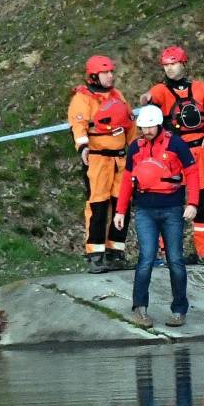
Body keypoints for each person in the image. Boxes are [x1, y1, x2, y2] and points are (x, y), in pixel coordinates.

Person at [113, 105, 201, 328]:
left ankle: (179, 309)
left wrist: (193, 203)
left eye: (150, 126)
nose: (147, 131)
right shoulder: (136, 147)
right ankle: (139, 309)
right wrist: (120, 210)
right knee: (146, 260)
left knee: (175, 261)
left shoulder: (176, 144)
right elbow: (126, 179)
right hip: (145, 210)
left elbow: (192, 172)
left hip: (172, 209)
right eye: (143, 127)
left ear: (159, 124)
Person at [142, 45, 204, 269]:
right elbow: (153, 97)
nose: (169, 69)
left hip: (199, 151)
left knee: (202, 202)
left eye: (173, 64)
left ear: (183, 64)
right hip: (174, 155)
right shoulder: (161, 90)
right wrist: (148, 98)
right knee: (171, 202)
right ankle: (167, 251)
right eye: (166, 65)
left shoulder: (201, 89)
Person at [67, 54, 136, 272]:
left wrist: (136, 149)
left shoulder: (117, 96)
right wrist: (83, 146)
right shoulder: (83, 99)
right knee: (97, 206)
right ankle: (95, 254)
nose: (110, 76)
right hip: (97, 160)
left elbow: (129, 124)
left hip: (120, 159)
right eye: (106, 72)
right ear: (94, 75)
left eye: (111, 72)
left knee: (121, 205)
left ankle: (116, 252)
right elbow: (78, 125)